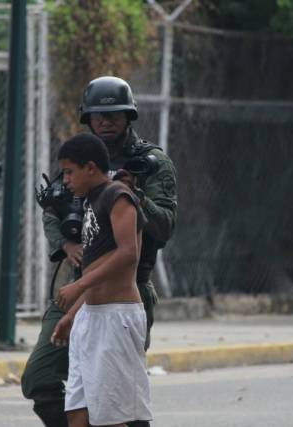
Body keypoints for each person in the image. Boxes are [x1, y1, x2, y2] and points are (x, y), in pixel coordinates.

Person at [22, 76, 177, 426]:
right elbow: (54, 207)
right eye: (98, 116)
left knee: (120, 401)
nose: (106, 122)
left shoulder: (148, 163)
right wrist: (67, 244)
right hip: (80, 289)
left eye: (115, 116)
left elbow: (163, 226)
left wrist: (135, 195)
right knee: (41, 380)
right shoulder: (81, 157)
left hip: (124, 293)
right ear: (87, 119)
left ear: (129, 117)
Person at [54, 133, 152, 427]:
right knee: (78, 414)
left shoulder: (118, 196)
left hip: (116, 317)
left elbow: (128, 254)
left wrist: (79, 284)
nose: (66, 180)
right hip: (91, 316)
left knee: (112, 418)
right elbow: (100, 264)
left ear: (91, 168)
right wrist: (73, 314)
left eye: (70, 172)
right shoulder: (90, 202)